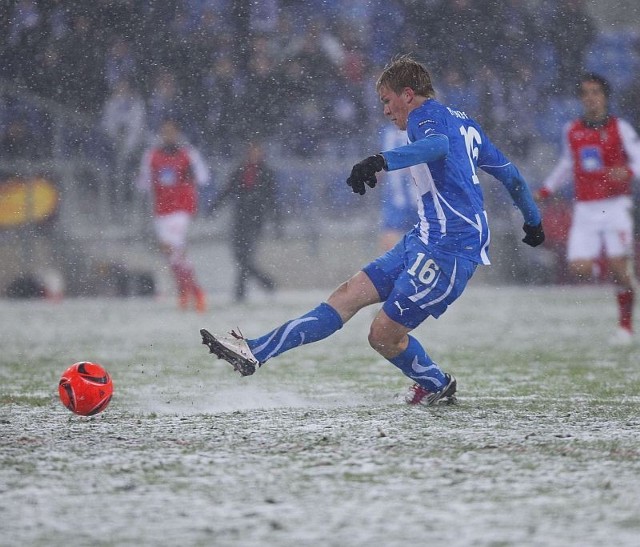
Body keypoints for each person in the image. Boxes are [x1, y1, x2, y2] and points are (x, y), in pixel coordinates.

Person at [200, 55, 544, 405]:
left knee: (382, 335)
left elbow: (438, 146)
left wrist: (382, 160)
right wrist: (533, 221)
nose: (384, 110)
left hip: (451, 248)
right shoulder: (464, 122)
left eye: (386, 100)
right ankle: (254, 350)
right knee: (347, 294)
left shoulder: (426, 118)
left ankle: (436, 384)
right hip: (424, 237)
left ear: (407, 94)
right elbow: (512, 177)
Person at [537, 73, 640, 345]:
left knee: (619, 268)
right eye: (585, 93)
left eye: (595, 92)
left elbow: (638, 161)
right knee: (579, 269)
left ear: (605, 97)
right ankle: (613, 268)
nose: (591, 98)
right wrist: (546, 189)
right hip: (585, 208)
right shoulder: (572, 130)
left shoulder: (621, 128)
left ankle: (625, 327)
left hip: (616, 205)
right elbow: (567, 165)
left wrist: (627, 171)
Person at [137, 119, 210, 312]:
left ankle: (196, 292)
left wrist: (188, 181)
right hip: (161, 209)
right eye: (164, 132)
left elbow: (203, 177)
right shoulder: (151, 155)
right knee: (172, 255)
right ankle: (186, 290)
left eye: (171, 132)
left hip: (181, 208)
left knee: (174, 248)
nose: (168, 136)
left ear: (177, 133)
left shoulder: (188, 154)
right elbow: (143, 182)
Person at [212, 140, 280, 302]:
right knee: (239, 256)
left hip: (256, 218)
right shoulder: (240, 170)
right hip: (240, 217)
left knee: (245, 256)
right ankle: (265, 281)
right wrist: (215, 206)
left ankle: (240, 291)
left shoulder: (266, 172)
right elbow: (228, 190)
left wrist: (277, 221)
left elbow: (273, 199)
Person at [378, 124, 417, 251]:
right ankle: (398, 267)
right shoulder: (386, 133)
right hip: (396, 196)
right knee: (391, 232)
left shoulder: (419, 131)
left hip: (416, 196)